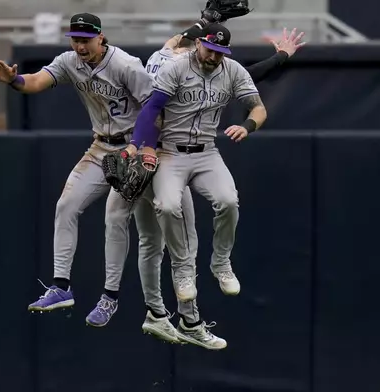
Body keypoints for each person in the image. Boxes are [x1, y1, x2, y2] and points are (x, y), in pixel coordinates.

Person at [136, 23, 306, 347]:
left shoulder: (226, 68)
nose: (214, 56)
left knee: (228, 200)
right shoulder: (168, 63)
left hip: (204, 152)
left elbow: (253, 88)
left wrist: (248, 125)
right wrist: (140, 145)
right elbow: (149, 110)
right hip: (163, 151)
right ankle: (173, 299)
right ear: (195, 42)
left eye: (220, 51)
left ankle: (220, 263)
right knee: (163, 214)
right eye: (209, 48)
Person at [0, 12, 154, 327]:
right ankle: (61, 287)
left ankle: (110, 298)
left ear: (100, 38)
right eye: (75, 40)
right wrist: (14, 80)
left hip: (132, 147)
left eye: (85, 40)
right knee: (66, 206)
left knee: (115, 218)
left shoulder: (126, 65)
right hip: (101, 147)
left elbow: (154, 108)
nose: (80, 46)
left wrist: (143, 149)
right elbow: (36, 81)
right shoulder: (69, 62)